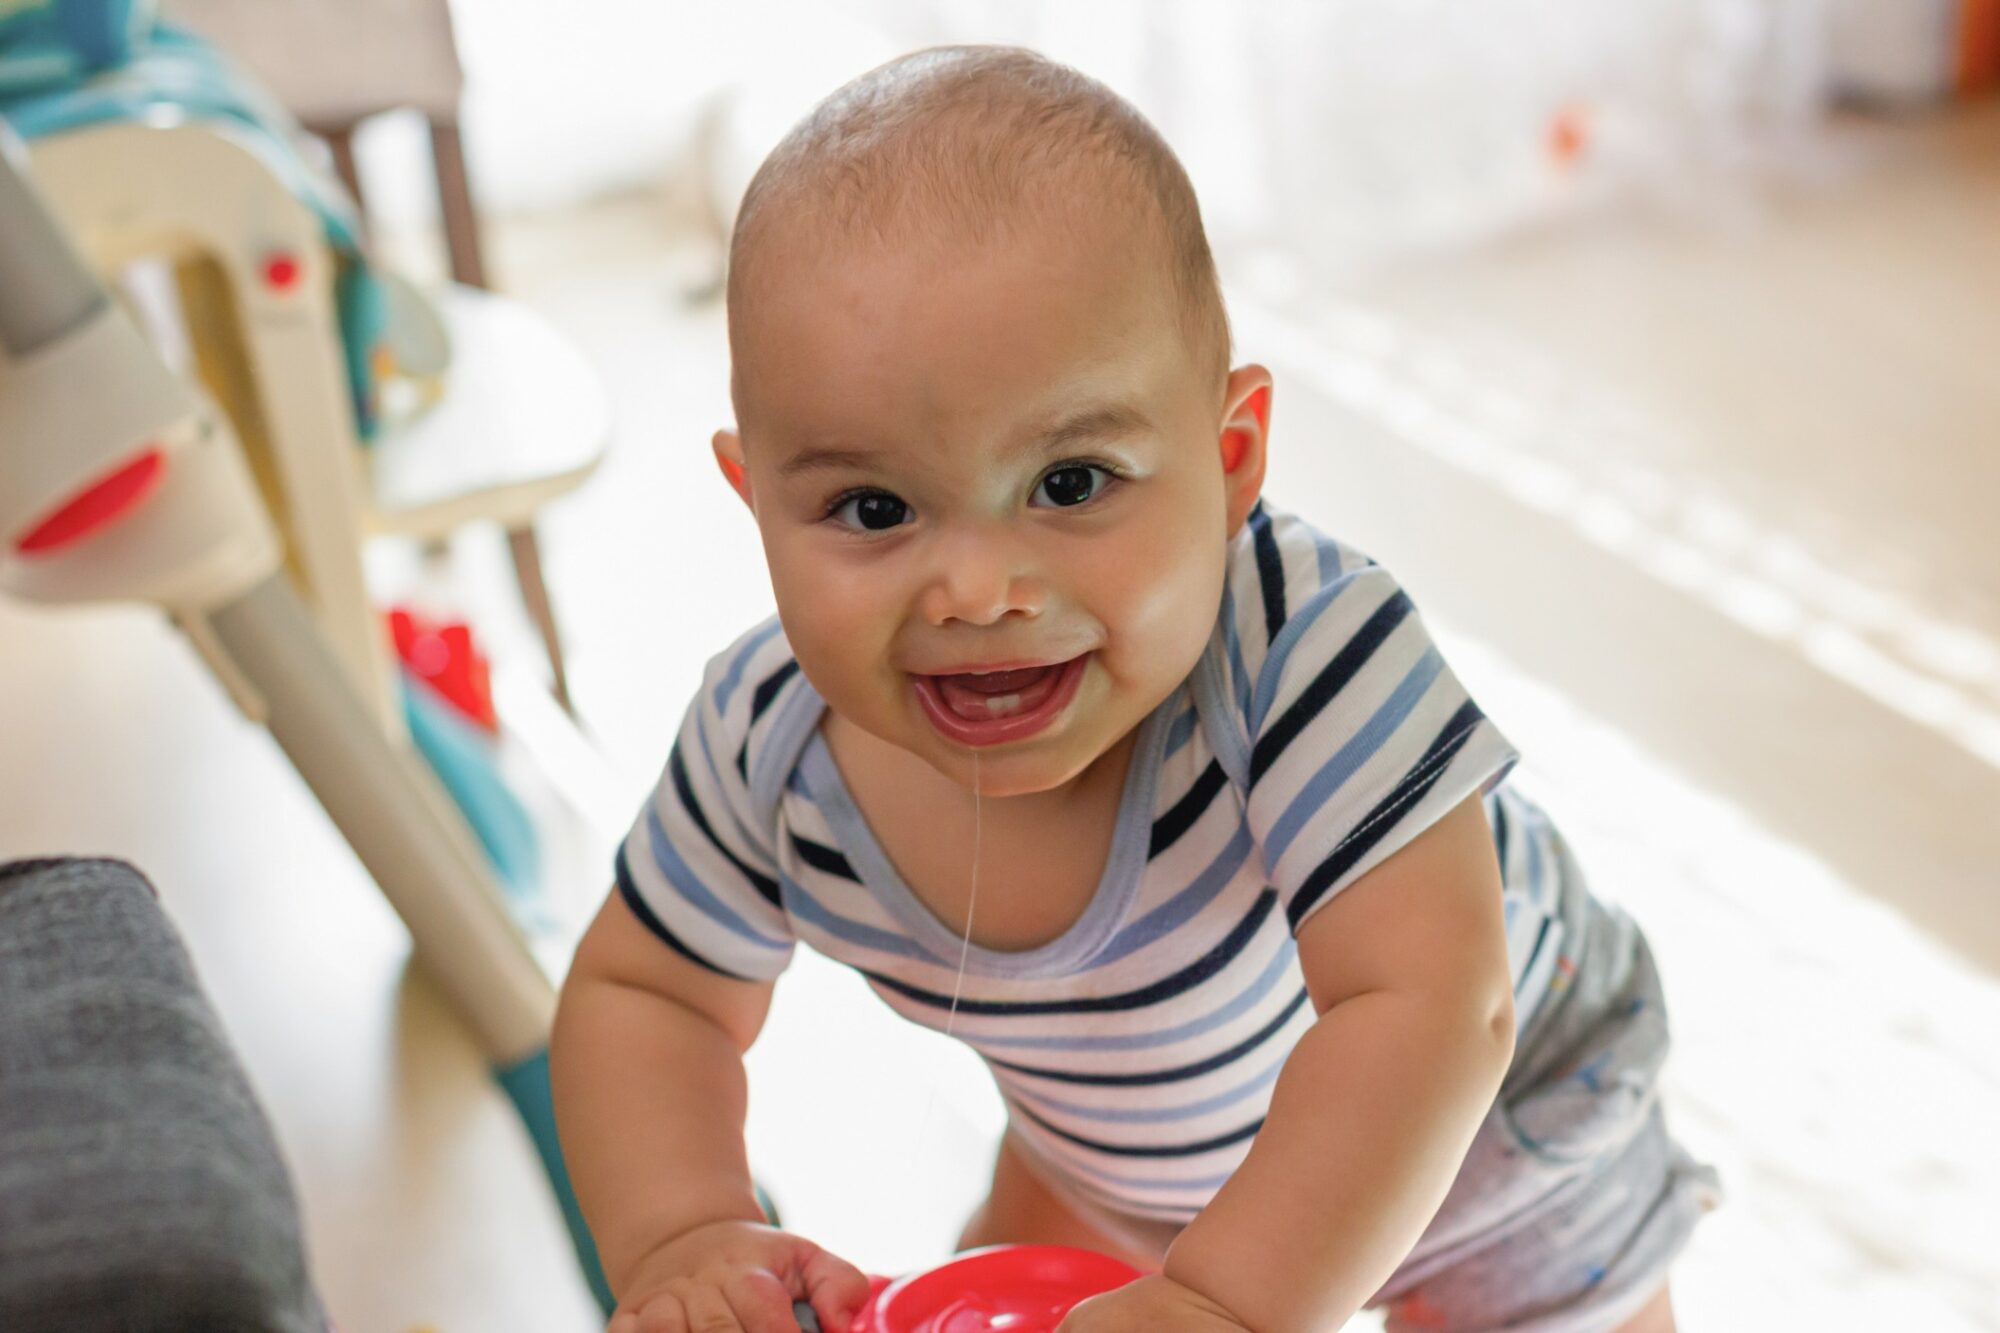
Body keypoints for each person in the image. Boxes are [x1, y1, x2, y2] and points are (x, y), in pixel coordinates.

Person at [551, 45, 1718, 1333]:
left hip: (1501, 1140)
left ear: (1230, 465)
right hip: (1116, 1152)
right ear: (754, 502)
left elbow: (1438, 1004)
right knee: (982, 1287)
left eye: (1071, 483)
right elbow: (649, 993)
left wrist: (1221, 1304)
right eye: (872, 508)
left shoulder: (1302, 655)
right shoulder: (767, 747)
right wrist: (686, 1230)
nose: (976, 591)